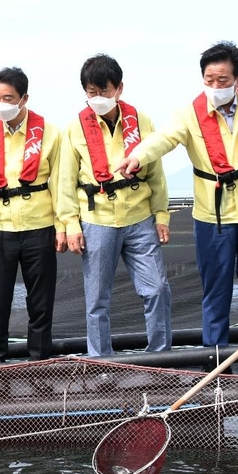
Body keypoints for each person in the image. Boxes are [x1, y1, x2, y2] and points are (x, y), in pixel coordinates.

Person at [118, 41, 238, 375]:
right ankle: (217, 364)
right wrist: (138, 155)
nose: (216, 86)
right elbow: (165, 138)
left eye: (223, 80)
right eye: (209, 79)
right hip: (212, 217)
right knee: (216, 290)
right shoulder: (189, 114)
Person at [56, 54, 172, 358]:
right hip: (96, 220)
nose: (98, 98)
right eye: (91, 92)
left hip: (139, 217)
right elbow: (65, 181)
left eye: (104, 91)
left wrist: (161, 215)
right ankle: (101, 361)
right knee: (97, 298)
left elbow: (156, 173)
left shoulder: (142, 121)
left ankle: (160, 357)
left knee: (157, 288)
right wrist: (69, 225)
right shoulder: (74, 129)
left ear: (119, 88)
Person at [0, 67, 64, 362]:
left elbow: (60, 185)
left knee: (40, 304)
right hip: (0, 230)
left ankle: (39, 365)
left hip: (40, 227)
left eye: (8, 97)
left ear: (24, 99)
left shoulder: (50, 133)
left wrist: (62, 226)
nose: (2, 104)